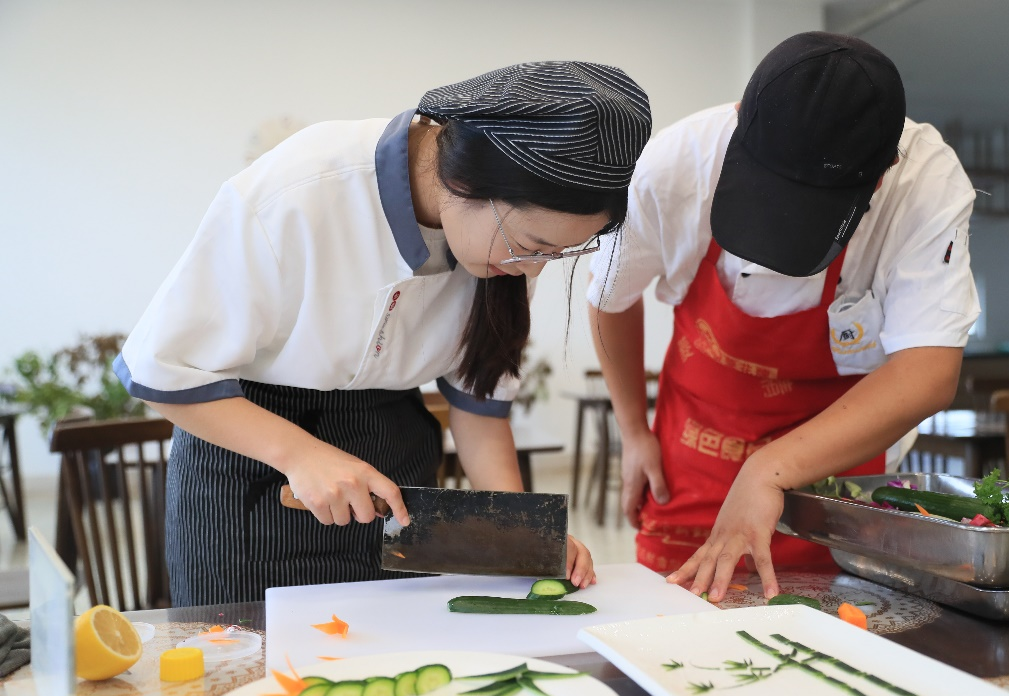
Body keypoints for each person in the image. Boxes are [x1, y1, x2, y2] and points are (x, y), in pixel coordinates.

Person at [115, 61, 652, 605]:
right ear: (467, 182)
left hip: (393, 461)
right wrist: (301, 455)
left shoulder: (504, 249)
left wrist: (519, 535)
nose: (534, 269)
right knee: (248, 665)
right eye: (532, 245)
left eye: (555, 256)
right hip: (252, 461)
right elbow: (163, 366)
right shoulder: (302, 189)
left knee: (394, 653)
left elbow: (479, 408)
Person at [586, 32, 978, 603]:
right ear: (742, 118)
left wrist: (769, 469)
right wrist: (633, 432)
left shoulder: (925, 186)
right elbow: (608, 297)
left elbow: (928, 372)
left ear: (883, 170)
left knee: (837, 638)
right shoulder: (676, 164)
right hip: (696, 453)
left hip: (837, 474)